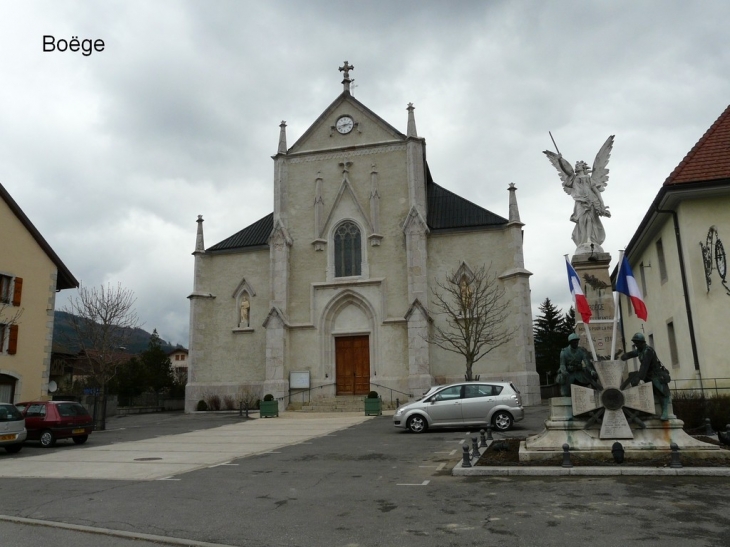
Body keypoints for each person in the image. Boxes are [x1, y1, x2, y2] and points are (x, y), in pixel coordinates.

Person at [621, 332, 672, 420]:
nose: (636, 345)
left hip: (657, 375)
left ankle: (665, 412)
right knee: (649, 392)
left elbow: (644, 365)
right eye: (635, 343)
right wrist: (624, 356)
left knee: (661, 393)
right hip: (648, 376)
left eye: (637, 343)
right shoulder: (640, 350)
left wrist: (638, 377)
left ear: (642, 343)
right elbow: (633, 353)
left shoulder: (648, 351)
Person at [564, 160, 611, 251]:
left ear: (583, 167)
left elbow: (596, 191)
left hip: (591, 200)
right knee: (581, 220)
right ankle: (583, 240)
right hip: (580, 201)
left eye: (579, 165)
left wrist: (602, 204)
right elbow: (566, 171)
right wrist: (559, 159)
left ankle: (589, 239)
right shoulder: (573, 179)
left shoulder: (588, 178)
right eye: (576, 165)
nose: (576, 167)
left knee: (590, 219)